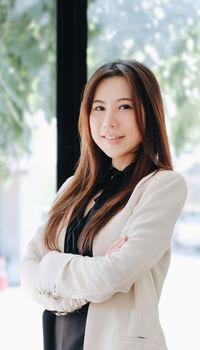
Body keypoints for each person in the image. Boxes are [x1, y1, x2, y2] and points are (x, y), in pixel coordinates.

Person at [20, 59, 188, 350]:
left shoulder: (162, 186)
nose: (109, 121)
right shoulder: (72, 188)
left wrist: (54, 270)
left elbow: (114, 275)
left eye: (125, 107)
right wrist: (93, 274)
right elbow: (28, 272)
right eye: (99, 108)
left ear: (148, 113)